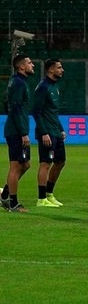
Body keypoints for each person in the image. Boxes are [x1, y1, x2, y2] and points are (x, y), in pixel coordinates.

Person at [1, 54, 35, 213]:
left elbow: (6, 103)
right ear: (21, 66)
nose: (32, 65)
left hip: (15, 129)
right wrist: (23, 133)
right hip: (16, 131)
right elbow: (14, 108)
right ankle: (13, 204)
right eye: (29, 63)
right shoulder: (19, 83)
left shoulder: (16, 81)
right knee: (15, 166)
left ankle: (5, 194)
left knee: (25, 164)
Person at [31, 59, 67, 208]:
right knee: (45, 163)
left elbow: (53, 111)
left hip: (55, 131)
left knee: (61, 161)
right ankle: (41, 199)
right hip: (47, 132)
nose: (62, 70)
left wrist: (61, 129)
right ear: (51, 70)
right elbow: (36, 112)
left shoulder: (55, 86)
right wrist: (44, 133)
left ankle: (49, 194)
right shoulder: (43, 87)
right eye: (59, 67)